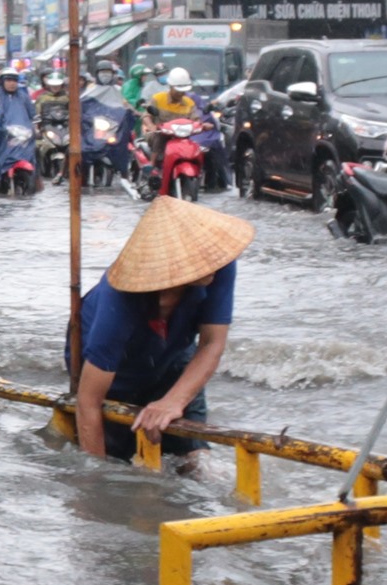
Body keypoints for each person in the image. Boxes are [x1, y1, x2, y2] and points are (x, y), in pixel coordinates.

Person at [70, 196, 255, 464]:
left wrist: (174, 401)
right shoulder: (120, 298)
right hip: (115, 376)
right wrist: (95, 484)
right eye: (200, 259)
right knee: (118, 459)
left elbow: (212, 343)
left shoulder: (220, 264)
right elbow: (88, 401)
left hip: (174, 358)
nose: (212, 261)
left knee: (195, 458)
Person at [142, 66, 225, 189]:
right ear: (170, 87)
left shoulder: (189, 102)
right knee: (159, 140)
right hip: (161, 133)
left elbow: (195, 120)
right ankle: (152, 166)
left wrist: (203, 125)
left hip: (182, 136)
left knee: (201, 149)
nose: (181, 92)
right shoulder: (158, 99)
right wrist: (151, 126)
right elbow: (146, 116)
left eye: (183, 90)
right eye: (178, 89)